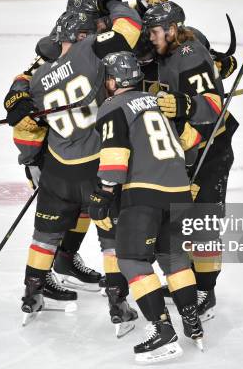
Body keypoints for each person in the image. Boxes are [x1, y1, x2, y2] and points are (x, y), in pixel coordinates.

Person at [4, 0, 144, 326]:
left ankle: (32, 294)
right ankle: (118, 302)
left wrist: (30, 161)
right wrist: (115, 3)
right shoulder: (89, 51)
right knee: (111, 236)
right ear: (82, 34)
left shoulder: (37, 80)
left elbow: (28, 130)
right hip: (95, 166)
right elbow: (130, 27)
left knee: (44, 236)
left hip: (57, 172)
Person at [89, 51, 204, 363]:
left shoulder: (113, 106)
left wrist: (103, 193)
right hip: (179, 192)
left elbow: (115, 156)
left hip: (144, 193)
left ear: (112, 82)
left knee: (131, 261)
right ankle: (192, 321)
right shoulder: (158, 102)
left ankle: (162, 331)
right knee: (175, 259)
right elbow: (189, 143)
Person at [141, 0, 241, 321]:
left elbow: (213, 105)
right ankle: (193, 281)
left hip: (211, 148)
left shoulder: (189, 54)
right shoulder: (170, 49)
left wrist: (184, 103)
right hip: (189, 147)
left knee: (203, 224)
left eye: (155, 31)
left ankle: (205, 291)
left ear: (172, 29)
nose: (151, 37)